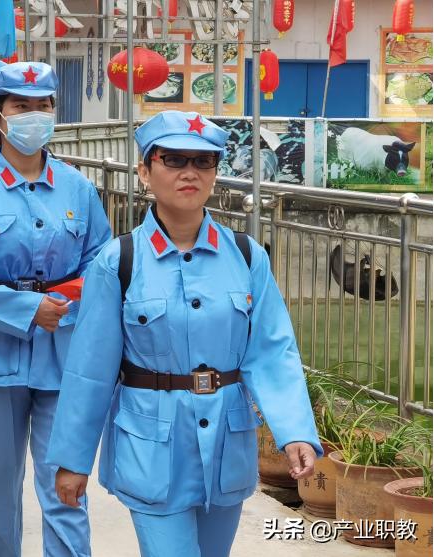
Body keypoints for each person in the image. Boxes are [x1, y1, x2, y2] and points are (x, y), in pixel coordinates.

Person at [46, 111, 321, 557]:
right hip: (152, 447)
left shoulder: (247, 256)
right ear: (144, 170)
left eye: (204, 161)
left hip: (226, 448)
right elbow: (89, 372)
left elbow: (272, 351)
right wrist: (73, 461)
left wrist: (295, 432)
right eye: (173, 159)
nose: (189, 172)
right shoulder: (119, 261)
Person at [0, 61, 112, 557]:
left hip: (64, 356)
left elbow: (101, 261)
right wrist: (27, 309)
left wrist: (65, 306)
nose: (34, 115)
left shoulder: (78, 188)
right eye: (21, 106)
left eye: (44, 105)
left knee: (65, 486)